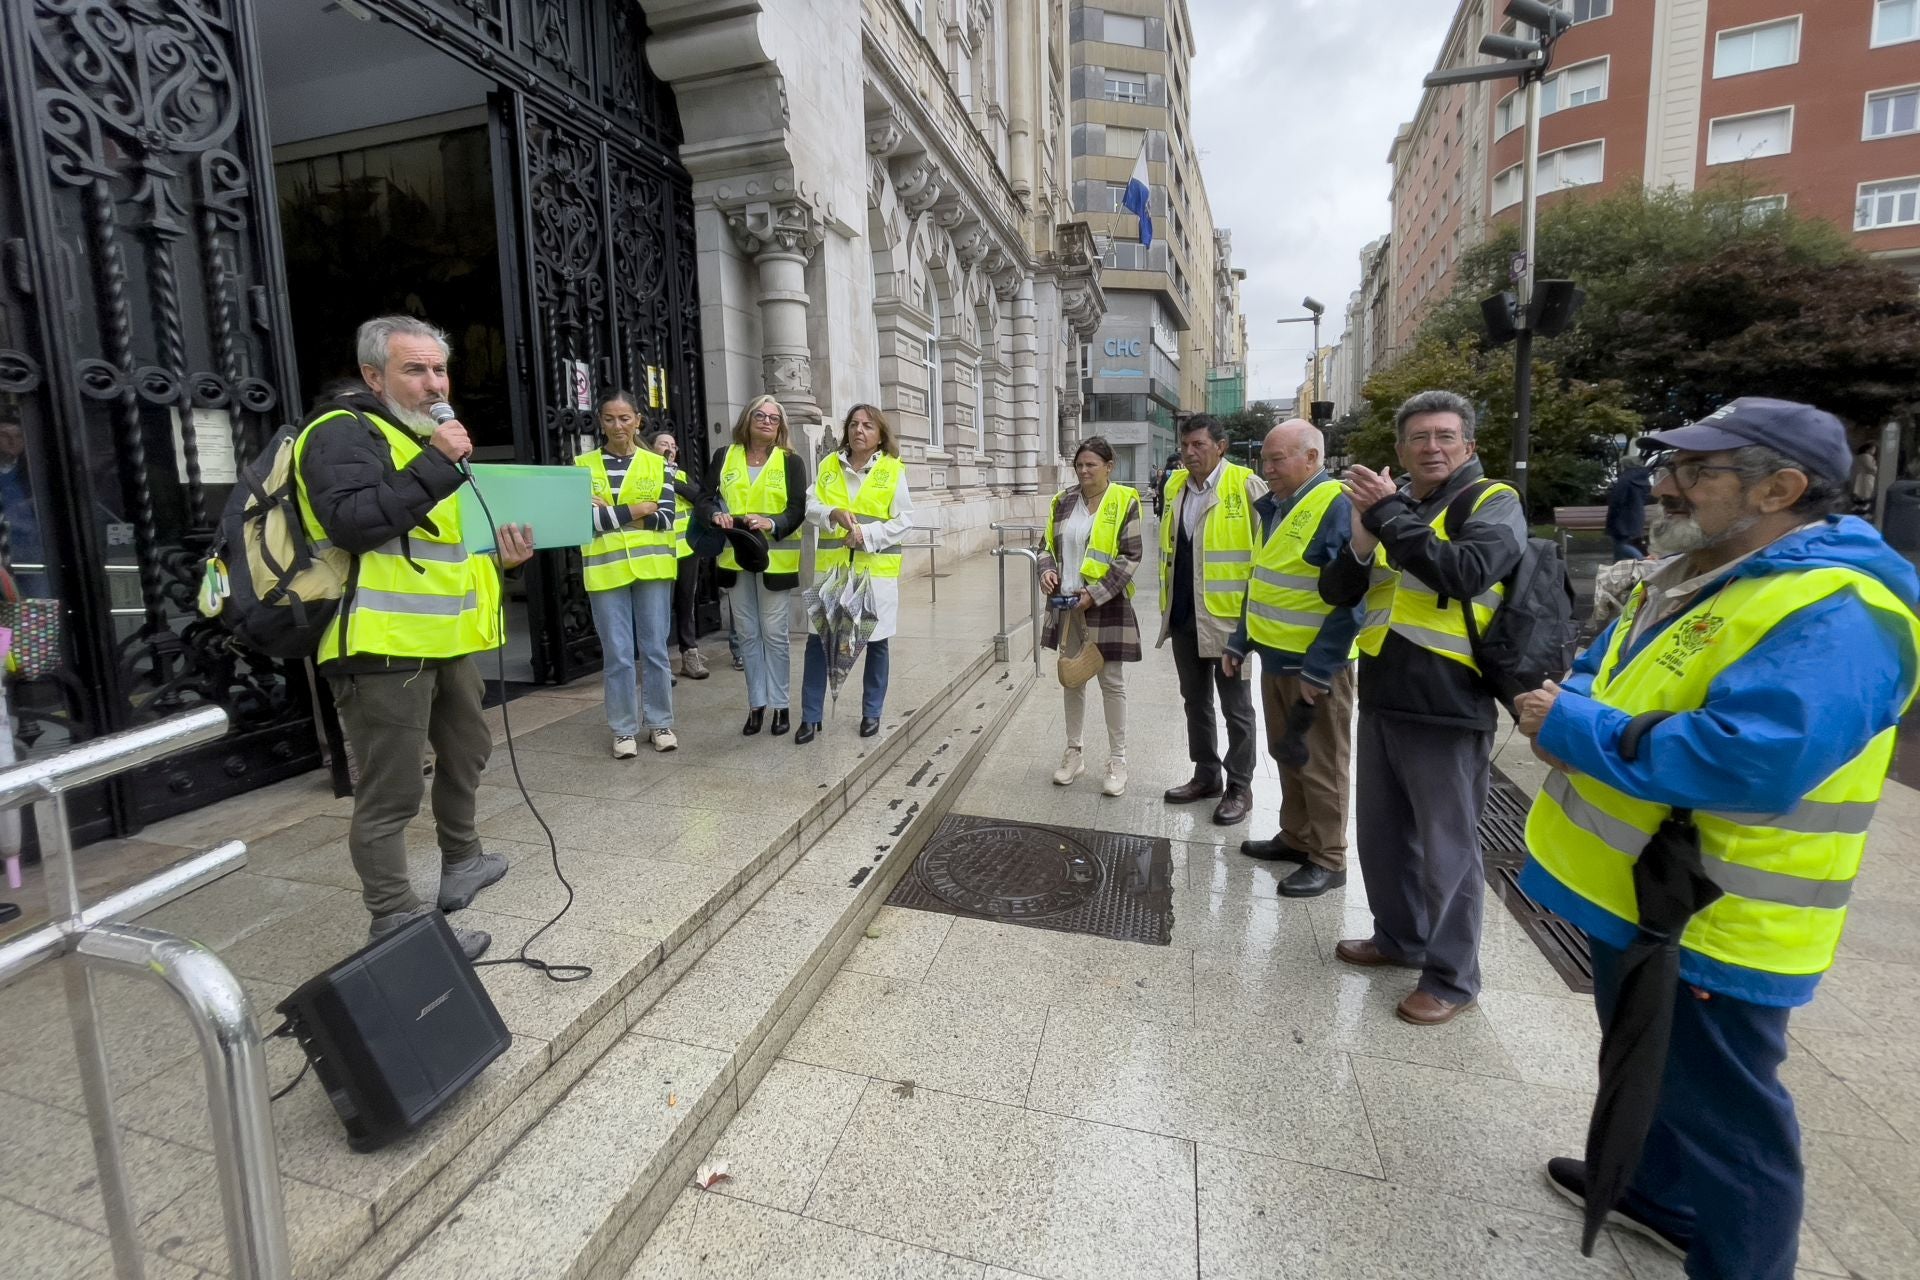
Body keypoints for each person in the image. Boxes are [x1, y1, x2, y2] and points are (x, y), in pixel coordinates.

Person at [1513, 398, 1919, 1280]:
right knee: (1648, 1067)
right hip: (1649, 896)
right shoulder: (1710, 568)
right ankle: (1654, 1191)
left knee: (1733, 1129)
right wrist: (1572, 703)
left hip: (1720, 914)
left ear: (1782, 487)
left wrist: (1573, 729)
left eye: (1700, 472)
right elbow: (1611, 667)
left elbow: (1754, 759)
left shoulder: (1841, 609)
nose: (1668, 486)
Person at [295, 315, 534, 961]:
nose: (434, 384)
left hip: (446, 643)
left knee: (469, 751)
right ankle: (395, 920)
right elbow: (353, 524)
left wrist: (503, 561)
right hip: (379, 649)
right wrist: (439, 461)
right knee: (391, 794)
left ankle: (462, 861)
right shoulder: (341, 432)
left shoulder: (424, 438)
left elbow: (436, 551)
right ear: (375, 376)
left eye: (439, 369)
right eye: (415, 370)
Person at [1320, 389, 1528, 1025]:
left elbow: (1465, 570)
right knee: (1383, 836)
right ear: (1401, 449)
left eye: (1444, 437)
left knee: (1447, 849)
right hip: (1385, 690)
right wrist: (1360, 539)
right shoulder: (1400, 507)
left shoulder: (1492, 501)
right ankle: (1399, 938)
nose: (1431, 448)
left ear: (1468, 444)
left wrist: (1387, 516)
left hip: (1448, 698)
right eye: (1418, 438)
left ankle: (1453, 976)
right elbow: (1338, 589)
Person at [1222, 420, 1363, 898]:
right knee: (1288, 754)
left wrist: (1321, 668)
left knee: (1323, 762)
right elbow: (1261, 579)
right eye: (1265, 459)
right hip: (1276, 659)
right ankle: (1297, 837)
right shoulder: (1277, 507)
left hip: (1315, 668)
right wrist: (1239, 641)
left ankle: (1328, 857)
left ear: (1312, 459)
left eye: (1278, 459)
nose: (1268, 468)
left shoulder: (1336, 505)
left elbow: (1353, 596)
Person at [1158, 414, 1268, 825]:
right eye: (1186, 445)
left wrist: (1251, 623)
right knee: (1195, 702)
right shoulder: (1174, 486)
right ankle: (1206, 775)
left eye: (1199, 445)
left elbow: (1266, 556)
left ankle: (1241, 786)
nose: (1189, 453)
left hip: (1229, 625)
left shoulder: (1245, 484)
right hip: (1184, 615)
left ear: (1220, 446)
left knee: (1237, 708)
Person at [797, 403, 913, 742]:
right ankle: (810, 716)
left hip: (874, 573)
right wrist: (831, 512)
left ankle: (872, 712)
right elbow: (810, 505)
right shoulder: (829, 465)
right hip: (833, 572)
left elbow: (904, 520)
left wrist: (868, 535)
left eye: (867, 426)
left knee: (876, 643)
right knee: (818, 642)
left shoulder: (893, 469)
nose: (858, 430)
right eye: (854, 424)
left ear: (879, 437)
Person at [577, 393, 681, 757]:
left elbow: (666, 517)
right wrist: (638, 509)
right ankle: (623, 729)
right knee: (618, 653)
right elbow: (580, 520)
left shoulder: (659, 465)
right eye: (609, 419)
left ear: (638, 420)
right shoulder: (581, 466)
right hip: (605, 571)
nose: (618, 426)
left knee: (654, 649)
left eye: (625, 418)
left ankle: (660, 723)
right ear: (600, 421)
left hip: (652, 569)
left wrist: (612, 514)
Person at [1038, 437, 1143, 796]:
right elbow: (1045, 547)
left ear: (1109, 466)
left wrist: (1095, 594)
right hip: (1067, 605)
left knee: (1111, 682)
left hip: (1106, 604)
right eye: (1079, 465)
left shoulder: (1124, 500)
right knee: (1073, 680)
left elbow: (1130, 556)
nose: (1083, 471)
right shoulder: (1063, 501)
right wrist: (1046, 571)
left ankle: (1117, 761)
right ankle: (1074, 753)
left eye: (1091, 465)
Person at [703, 394, 806, 736]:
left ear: (780, 427)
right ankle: (756, 704)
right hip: (735, 558)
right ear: (747, 419)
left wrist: (771, 522)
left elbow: (796, 509)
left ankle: (780, 705)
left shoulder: (790, 461)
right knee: (747, 634)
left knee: (774, 635)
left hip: (775, 562)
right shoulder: (725, 455)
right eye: (759, 415)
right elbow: (704, 499)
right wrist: (713, 514)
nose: (765, 421)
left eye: (773, 418)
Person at [647, 428, 709, 680]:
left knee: (686, 603)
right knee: (658, 607)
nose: (670, 449)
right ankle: (659, 663)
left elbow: (699, 498)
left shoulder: (680, 475)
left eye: (673, 445)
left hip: (686, 550)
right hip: (657, 551)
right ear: (651, 449)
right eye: (663, 444)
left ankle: (689, 655)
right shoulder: (646, 473)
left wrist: (672, 479)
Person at [1606, 446, 1653, 561]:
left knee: (1620, 545)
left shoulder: (1625, 479)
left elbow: (1617, 500)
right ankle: (1618, 569)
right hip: (1636, 516)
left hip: (1621, 518)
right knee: (1623, 545)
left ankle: (1642, 560)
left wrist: (1611, 518)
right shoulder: (1643, 479)